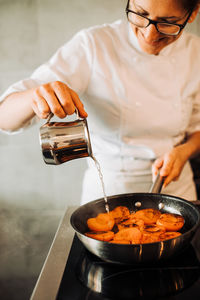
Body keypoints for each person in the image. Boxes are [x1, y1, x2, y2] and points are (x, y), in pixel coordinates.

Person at [0, 0, 200, 203]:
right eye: (140, 14)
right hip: (110, 194)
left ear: (192, 14)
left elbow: (197, 128)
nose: (149, 35)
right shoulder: (94, 44)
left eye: (168, 22)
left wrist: (184, 151)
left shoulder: (195, 52)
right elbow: (4, 118)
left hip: (177, 192)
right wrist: (35, 95)